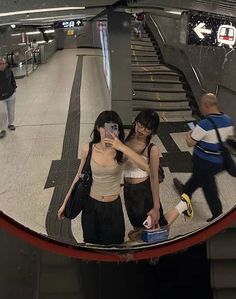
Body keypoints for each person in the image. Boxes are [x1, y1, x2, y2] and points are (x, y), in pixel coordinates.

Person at [58, 110, 149, 246]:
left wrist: (122, 147)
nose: (110, 133)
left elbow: (146, 167)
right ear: (98, 128)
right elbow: (78, 176)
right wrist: (65, 203)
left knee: (114, 245)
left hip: (113, 207)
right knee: (92, 244)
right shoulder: (88, 149)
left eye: (114, 128)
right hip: (91, 206)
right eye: (106, 128)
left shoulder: (122, 152)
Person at [123, 109, 193, 241]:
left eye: (148, 129)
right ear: (135, 122)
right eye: (140, 125)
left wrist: (156, 207)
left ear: (153, 132)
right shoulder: (126, 139)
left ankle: (183, 205)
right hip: (128, 191)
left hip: (144, 194)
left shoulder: (152, 149)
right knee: (141, 225)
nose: (142, 130)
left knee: (160, 227)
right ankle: (183, 205)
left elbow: (154, 178)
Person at [173, 93, 234, 222]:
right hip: (220, 162)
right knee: (196, 179)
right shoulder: (228, 120)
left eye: (202, 105)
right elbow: (226, 139)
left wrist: (189, 134)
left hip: (204, 162)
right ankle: (186, 191)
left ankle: (218, 216)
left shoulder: (204, 124)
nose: (201, 107)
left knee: (209, 189)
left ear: (206, 105)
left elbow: (190, 143)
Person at [0, 57, 17, 139]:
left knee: (11, 111)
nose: (3, 65)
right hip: (1, 98)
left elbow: (13, 80)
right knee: (2, 114)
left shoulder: (9, 71)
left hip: (11, 95)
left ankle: (10, 124)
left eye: (4, 63)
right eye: (1, 64)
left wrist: (14, 89)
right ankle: (2, 129)